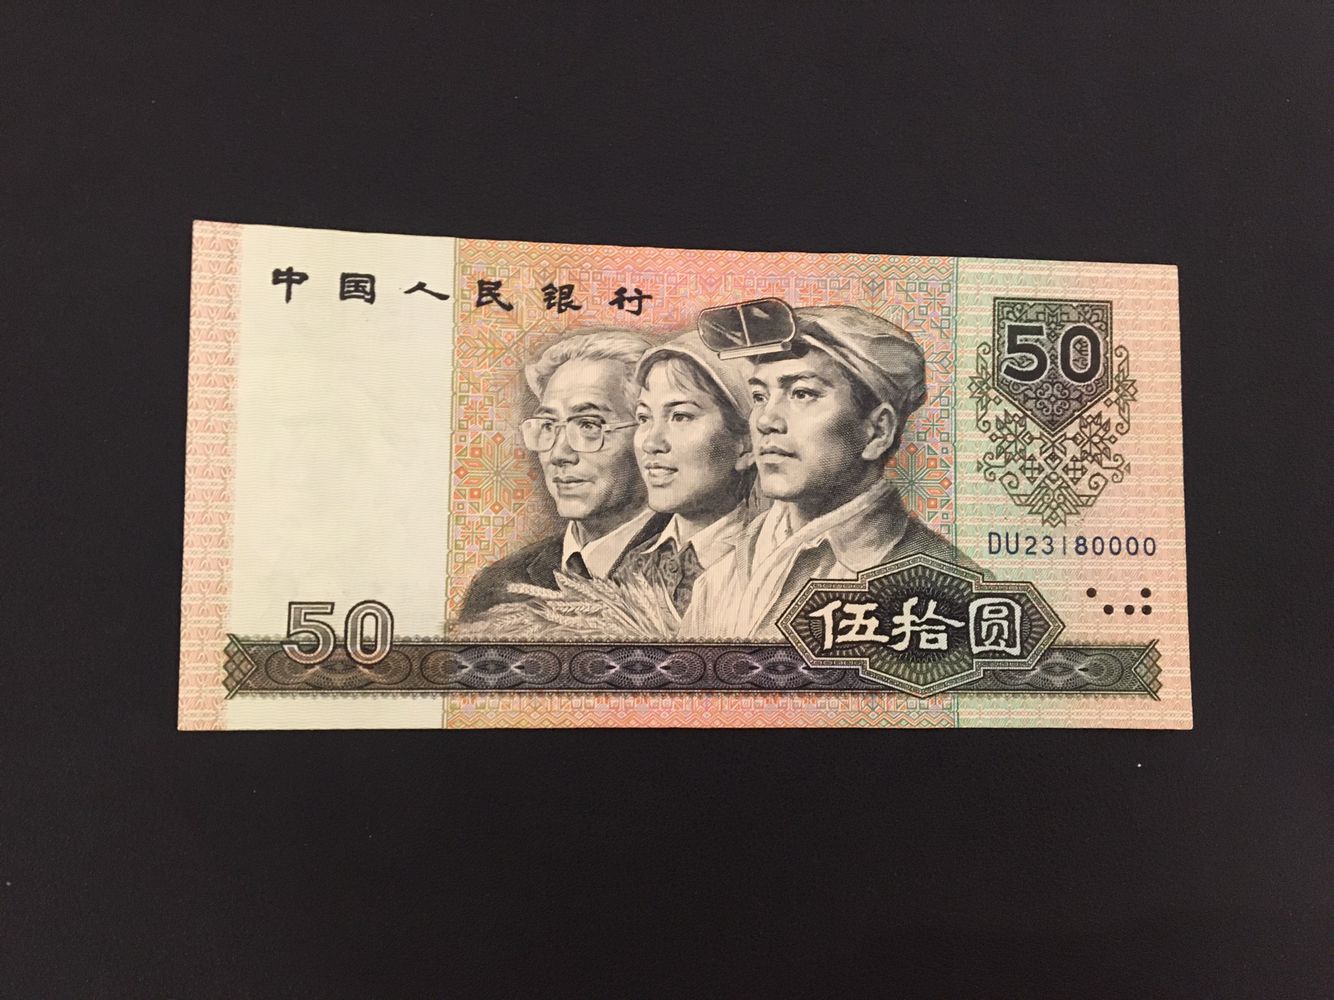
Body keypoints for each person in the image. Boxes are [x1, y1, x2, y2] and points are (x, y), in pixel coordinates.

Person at [679, 304, 981, 640]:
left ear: (877, 431)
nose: (765, 420)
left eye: (802, 393)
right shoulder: (723, 573)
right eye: (759, 396)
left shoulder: (945, 585)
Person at [458, 330, 669, 621]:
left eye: (589, 425)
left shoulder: (696, 573)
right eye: (548, 425)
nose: (559, 454)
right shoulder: (500, 585)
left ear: (647, 433)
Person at [616, 331, 761, 615]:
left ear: (746, 445)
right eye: (644, 417)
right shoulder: (632, 566)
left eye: (680, 416)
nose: (651, 443)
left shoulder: (765, 565)